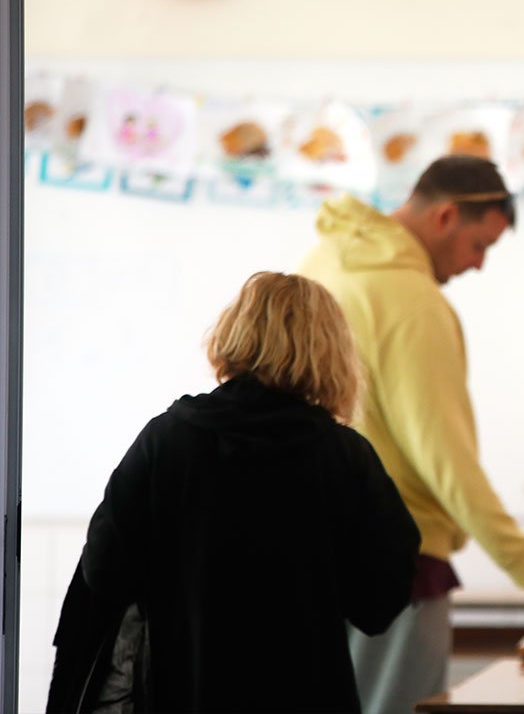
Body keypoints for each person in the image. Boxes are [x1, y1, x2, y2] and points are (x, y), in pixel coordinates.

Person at [46, 271, 420, 714]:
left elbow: (104, 569)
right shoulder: (344, 457)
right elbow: (380, 601)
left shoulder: (166, 441)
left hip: (183, 690)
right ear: (331, 351)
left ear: (233, 334)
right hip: (307, 694)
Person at [298, 155, 524, 714]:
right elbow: (444, 457)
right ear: (446, 216)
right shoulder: (413, 302)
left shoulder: (321, 263)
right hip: (396, 562)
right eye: (480, 245)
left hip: (311, 551)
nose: (478, 265)